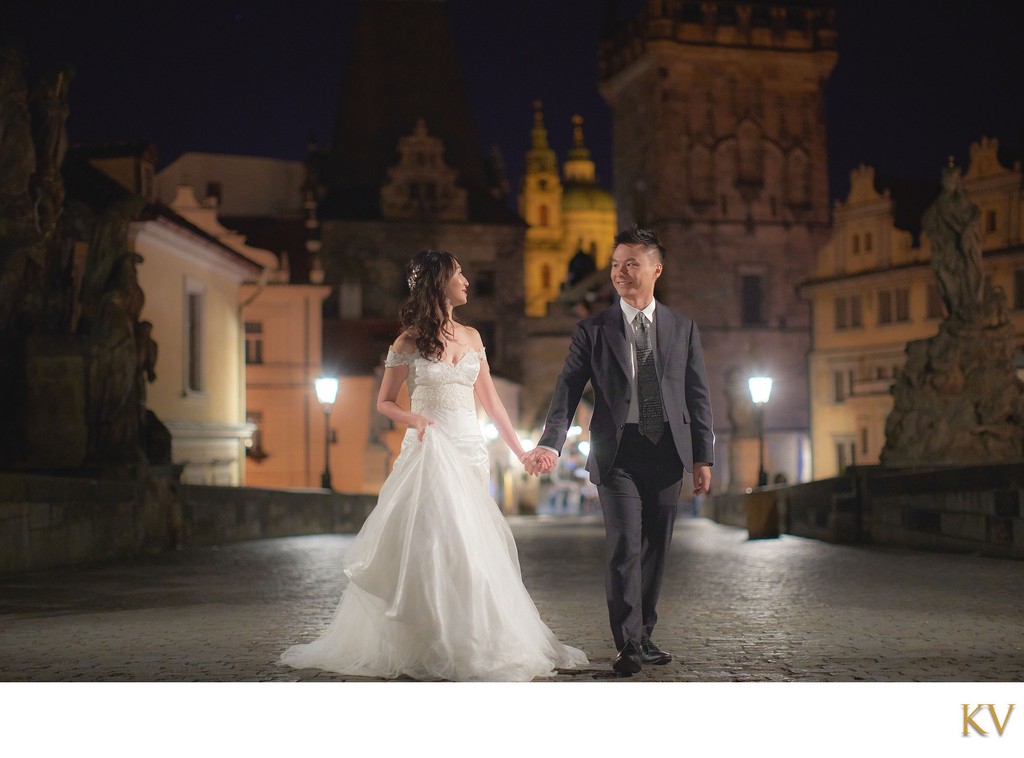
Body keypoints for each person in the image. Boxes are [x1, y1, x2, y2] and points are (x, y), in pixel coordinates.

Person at [281, 249, 587, 681]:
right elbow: (384, 402)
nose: (465, 280)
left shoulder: (474, 337)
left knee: (470, 544)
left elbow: (493, 404)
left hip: (468, 450)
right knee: (432, 541)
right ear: (440, 281)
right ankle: (427, 636)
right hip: (428, 447)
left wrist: (520, 451)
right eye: (459, 273)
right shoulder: (407, 341)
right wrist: (415, 419)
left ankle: (473, 635)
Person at [523, 226, 714, 676]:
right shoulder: (592, 330)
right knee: (624, 545)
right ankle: (628, 643)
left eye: (631, 263)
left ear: (655, 269)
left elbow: (697, 394)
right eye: (615, 265)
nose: (620, 273)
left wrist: (703, 456)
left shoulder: (682, 328)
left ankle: (644, 633)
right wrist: (550, 442)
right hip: (618, 453)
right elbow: (567, 390)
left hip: (668, 450)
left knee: (656, 549)